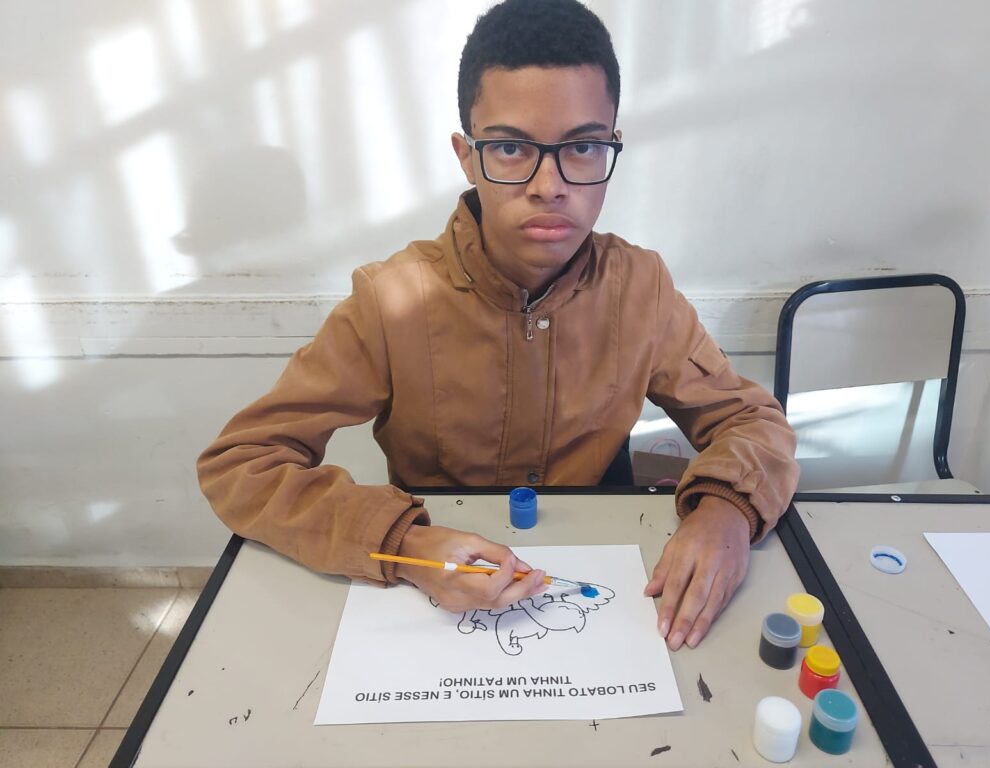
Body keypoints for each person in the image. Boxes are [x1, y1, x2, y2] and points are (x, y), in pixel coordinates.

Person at [197, 0, 799, 651]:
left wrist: (727, 509)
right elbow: (242, 465)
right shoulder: (391, 301)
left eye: (583, 147)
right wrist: (405, 546)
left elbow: (750, 421)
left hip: (603, 586)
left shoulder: (640, 288)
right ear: (466, 155)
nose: (549, 185)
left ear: (612, 145)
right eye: (511, 148)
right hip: (433, 588)